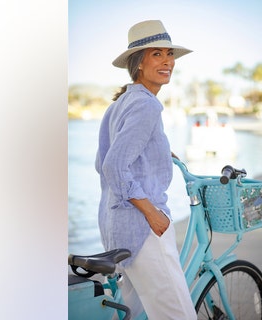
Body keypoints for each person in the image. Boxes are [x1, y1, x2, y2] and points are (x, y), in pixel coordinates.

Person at [95, 20, 196, 319]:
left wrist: (161, 150)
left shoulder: (122, 103)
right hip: (143, 229)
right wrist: (152, 213)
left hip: (116, 227)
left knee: (130, 314)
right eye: (157, 54)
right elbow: (114, 166)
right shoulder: (146, 106)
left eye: (170, 54)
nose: (167, 61)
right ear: (139, 63)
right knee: (179, 315)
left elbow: (104, 161)